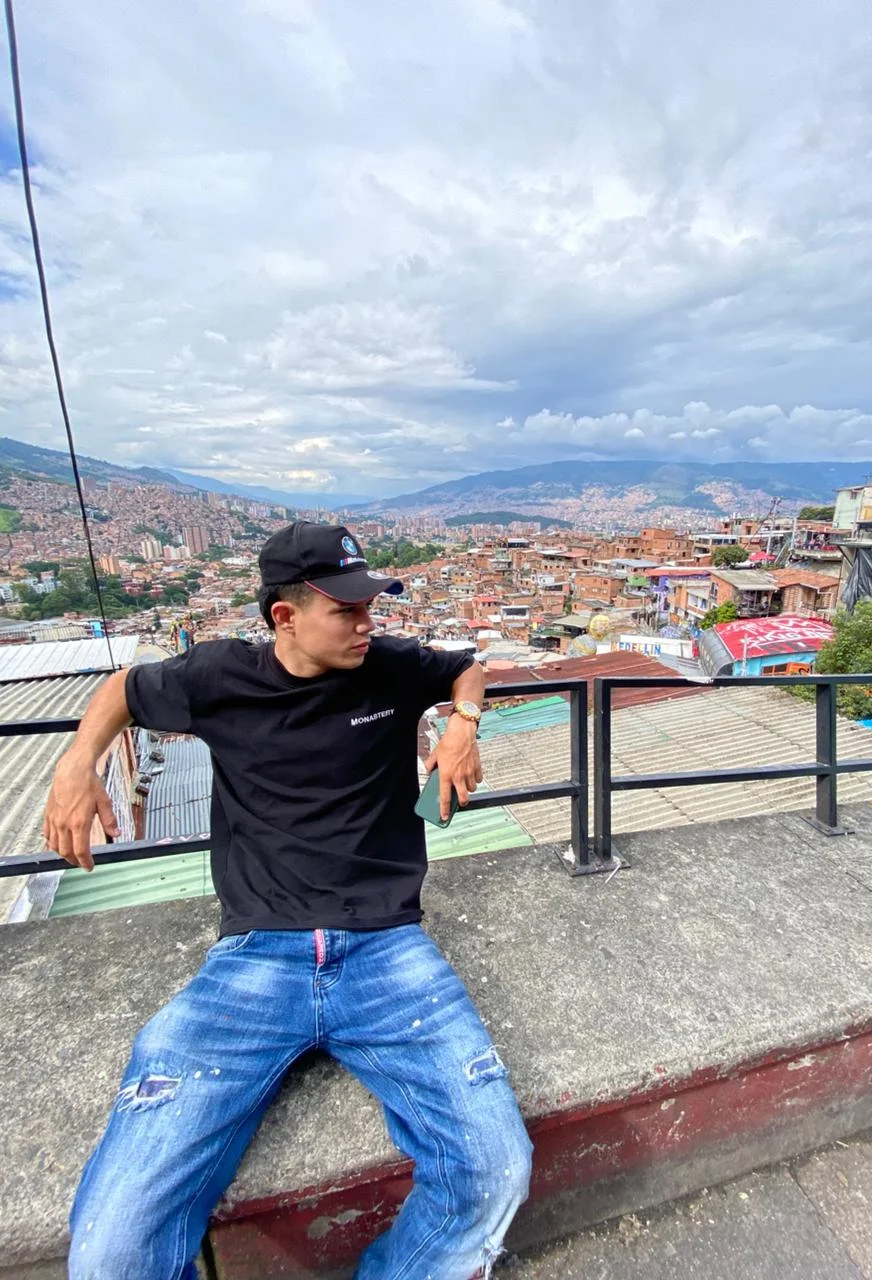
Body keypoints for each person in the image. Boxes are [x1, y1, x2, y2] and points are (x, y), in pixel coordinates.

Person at [44, 521, 532, 1280]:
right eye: (347, 610)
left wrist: (461, 725)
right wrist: (78, 763)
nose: (367, 624)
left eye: (369, 606)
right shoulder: (219, 676)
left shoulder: (388, 666)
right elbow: (123, 689)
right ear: (285, 616)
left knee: (495, 1167)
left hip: (386, 946)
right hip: (256, 958)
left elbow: (465, 668)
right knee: (113, 1247)